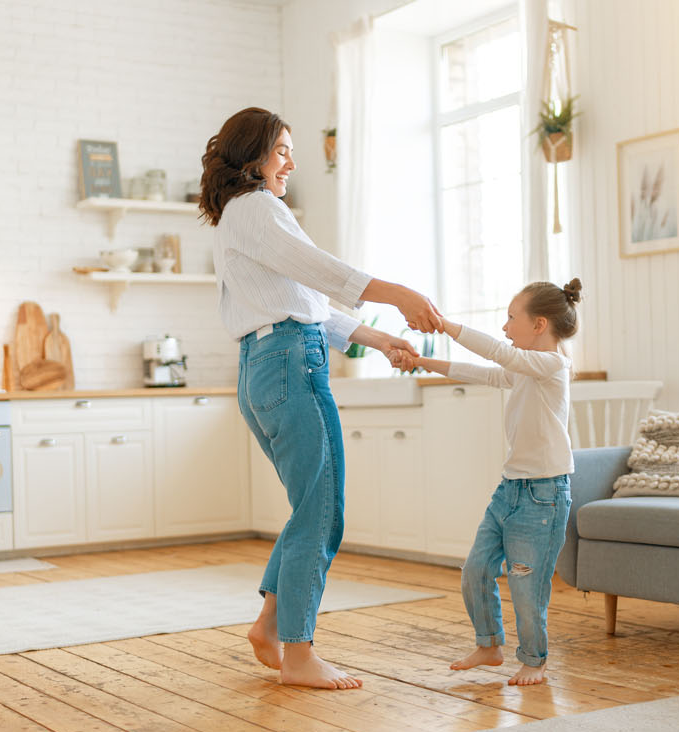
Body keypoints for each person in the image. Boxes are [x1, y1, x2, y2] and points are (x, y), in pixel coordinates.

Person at [199, 107, 443, 690]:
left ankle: (270, 626)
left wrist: (378, 336)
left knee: (314, 507)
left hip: (266, 365)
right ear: (253, 156)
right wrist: (399, 293)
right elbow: (323, 272)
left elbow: (302, 297)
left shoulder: (240, 216)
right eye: (281, 150)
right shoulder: (259, 208)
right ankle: (299, 653)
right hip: (289, 363)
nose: (290, 162)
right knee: (323, 511)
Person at [391, 279, 582, 686]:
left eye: (512, 318)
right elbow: (482, 372)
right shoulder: (525, 370)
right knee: (476, 569)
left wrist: (444, 325)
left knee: (526, 585)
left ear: (539, 324)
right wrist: (424, 363)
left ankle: (535, 660)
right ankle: (490, 644)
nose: (505, 326)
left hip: (544, 496)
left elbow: (499, 354)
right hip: (510, 489)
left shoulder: (552, 366)